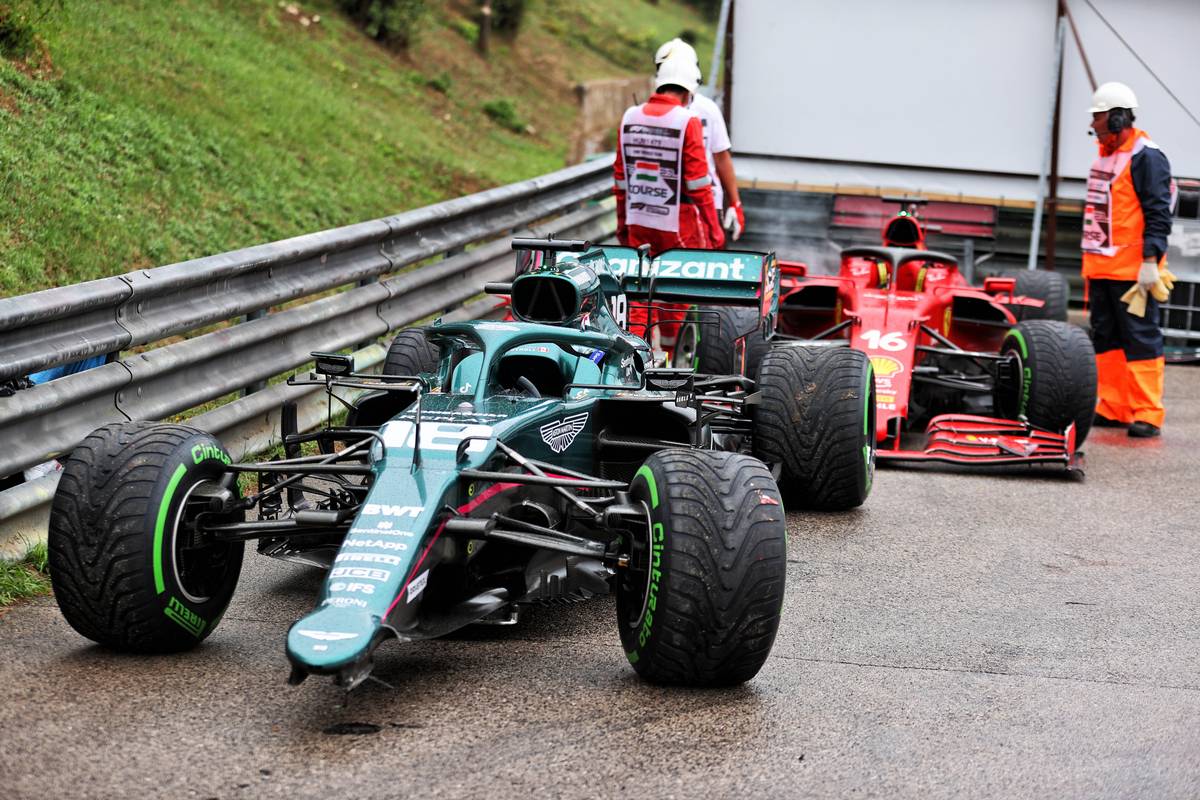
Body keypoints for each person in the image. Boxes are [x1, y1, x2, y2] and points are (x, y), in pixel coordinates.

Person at [1081, 81, 1176, 438]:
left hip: (1134, 271)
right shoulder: (1106, 156)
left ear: (1118, 118)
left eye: (1098, 117)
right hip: (1102, 268)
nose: (1093, 124)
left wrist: (1151, 260)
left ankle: (1147, 412)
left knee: (1140, 338)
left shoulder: (1146, 157)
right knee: (1106, 338)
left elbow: (1158, 212)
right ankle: (1114, 405)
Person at [613, 55, 723, 347]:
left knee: (638, 290)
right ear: (689, 92)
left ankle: (636, 353)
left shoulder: (629, 117)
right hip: (679, 223)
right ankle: (672, 353)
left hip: (638, 219)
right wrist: (714, 228)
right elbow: (699, 184)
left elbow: (620, 180)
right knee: (679, 286)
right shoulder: (688, 121)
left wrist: (622, 223)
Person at [653, 38, 745, 243]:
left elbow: (721, 158)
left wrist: (735, 203)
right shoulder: (649, 111)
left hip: (707, 205)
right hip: (664, 206)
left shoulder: (707, 109)